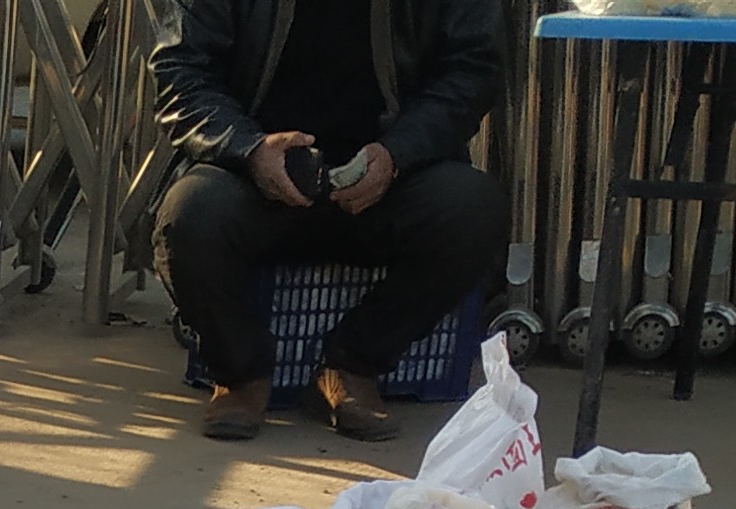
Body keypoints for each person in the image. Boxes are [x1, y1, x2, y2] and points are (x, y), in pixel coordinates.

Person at [150, 0, 506, 441]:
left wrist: (398, 154)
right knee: (189, 215)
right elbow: (181, 71)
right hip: (252, 174)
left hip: (390, 175)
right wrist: (250, 149)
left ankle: (354, 365)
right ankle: (240, 374)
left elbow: (471, 72)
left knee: (472, 207)